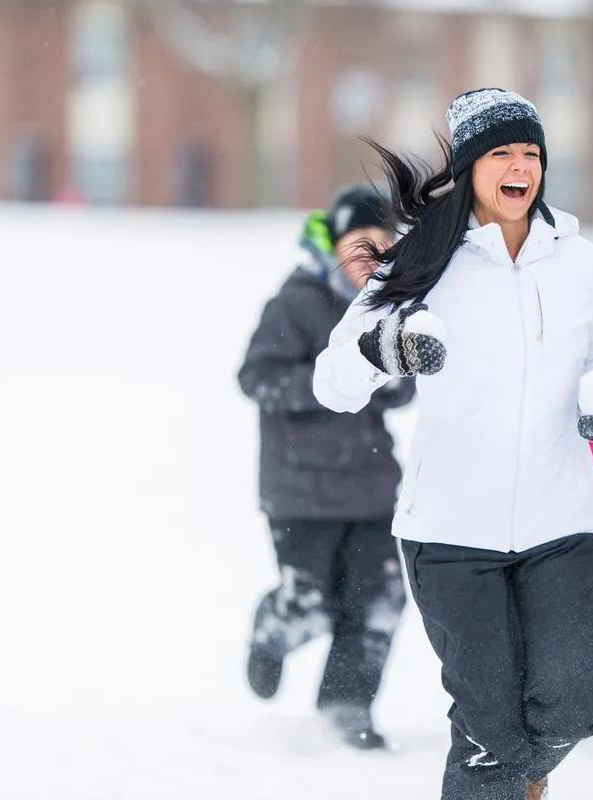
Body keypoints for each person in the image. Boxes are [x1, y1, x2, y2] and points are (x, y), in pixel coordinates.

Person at [313, 88, 593, 800]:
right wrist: (386, 345)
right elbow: (333, 385)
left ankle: (515, 781)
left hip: (560, 523)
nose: (520, 167)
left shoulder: (579, 261)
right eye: (501, 153)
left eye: (531, 153)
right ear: (468, 167)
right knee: (491, 734)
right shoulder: (421, 260)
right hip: (451, 534)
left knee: (575, 706)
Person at [238, 186, 413, 750]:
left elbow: (401, 390)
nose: (371, 255)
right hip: (301, 489)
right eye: (360, 241)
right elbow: (256, 377)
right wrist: (327, 383)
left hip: (371, 487)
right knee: (313, 599)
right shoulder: (297, 302)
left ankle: (347, 702)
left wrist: (392, 374)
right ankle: (277, 624)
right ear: (333, 243)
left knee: (379, 599)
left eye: (383, 244)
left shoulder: (387, 310)